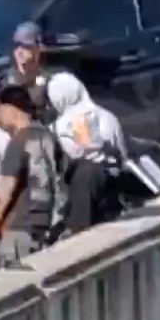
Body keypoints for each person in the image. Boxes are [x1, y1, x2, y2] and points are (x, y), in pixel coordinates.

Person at [0, 86, 69, 264]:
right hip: (48, 223)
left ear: (10, 109)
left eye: (0, 110)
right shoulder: (49, 137)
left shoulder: (18, 142)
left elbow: (8, 187)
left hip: (19, 227)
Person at [44, 73, 127, 232]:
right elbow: (122, 155)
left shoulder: (56, 130)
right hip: (112, 188)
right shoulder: (106, 115)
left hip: (79, 196)